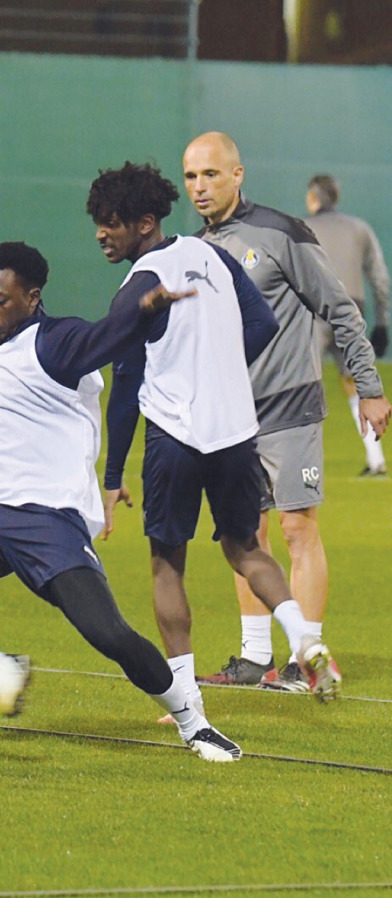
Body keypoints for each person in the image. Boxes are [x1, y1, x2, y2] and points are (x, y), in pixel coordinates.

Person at [0, 240, 243, 763]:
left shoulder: (56, 342)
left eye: (1, 298)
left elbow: (101, 339)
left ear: (33, 297)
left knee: (108, 634)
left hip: (45, 522)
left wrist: (142, 313)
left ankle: (193, 722)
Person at [87, 161, 339, 724]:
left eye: (111, 222)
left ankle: (186, 704)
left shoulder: (138, 286)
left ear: (145, 222)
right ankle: (304, 637)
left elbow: (125, 387)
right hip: (235, 432)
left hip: (175, 437)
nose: (102, 233)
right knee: (247, 548)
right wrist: (220, 368)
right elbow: (264, 325)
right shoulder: (215, 258)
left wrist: (111, 477)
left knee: (167, 565)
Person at [182, 132, 391, 692]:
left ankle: (302, 662)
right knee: (244, 534)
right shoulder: (195, 250)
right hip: (231, 416)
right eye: (191, 177)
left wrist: (368, 387)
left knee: (298, 528)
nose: (199, 187)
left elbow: (340, 309)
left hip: (290, 404)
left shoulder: (280, 233)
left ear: (238, 174)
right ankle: (253, 659)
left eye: (210, 174)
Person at [305, 173, 391, 476]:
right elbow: (379, 279)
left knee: (304, 384)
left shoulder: (302, 229)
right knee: (358, 385)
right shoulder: (359, 229)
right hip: (352, 312)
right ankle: (376, 457)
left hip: (313, 312)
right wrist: (382, 323)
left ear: (313, 198)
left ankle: (301, 462)